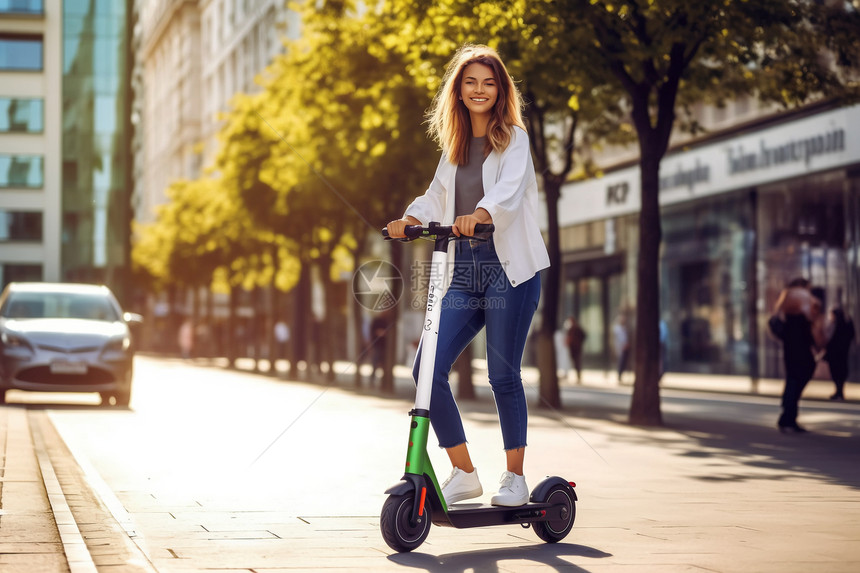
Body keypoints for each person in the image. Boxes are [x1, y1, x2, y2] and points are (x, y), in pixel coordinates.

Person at [386, 44, 549, 507]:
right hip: (464, 273)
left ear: (500, 91)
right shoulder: (454, 147)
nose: (479, 90)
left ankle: (514, 479)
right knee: (425, 370)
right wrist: (410, 219)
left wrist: (479, 213)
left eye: (489, 82)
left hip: (509, 272)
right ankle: (463, 470)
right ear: (458, 91)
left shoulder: (514, 138)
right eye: (470, 82)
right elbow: (435, 196)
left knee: (502, 375)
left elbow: (509, 192)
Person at [770, 278, 825, 433]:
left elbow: (776, 317)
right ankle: (788, 415)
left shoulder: (785, 295)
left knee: (793, 377)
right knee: (803, 371)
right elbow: (811, 316)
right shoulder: (803, 295)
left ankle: (788, 415)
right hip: (800, 340)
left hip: (790, 343)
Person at [824, 306, 855, 400]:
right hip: (842, 353)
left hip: (836, 353)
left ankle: (839, 392)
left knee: (837, 372)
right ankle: (839, 392)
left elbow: (829, 338)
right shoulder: (846, 323)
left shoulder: (837, 325)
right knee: (840, 372)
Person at [565, 316, 586, 383]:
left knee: (577, 362)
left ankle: (578, 376)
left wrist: (578, 342)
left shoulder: (577, 329)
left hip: (577, 348)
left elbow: (583, 336)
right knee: (574, 362)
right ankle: (572, 375)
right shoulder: (570, 329)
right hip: (572, 348)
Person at [612, 314, 630, 384]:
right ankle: (619, 375)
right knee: (621, 362)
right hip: (621, 347)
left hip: (625, 347)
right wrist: (624, 344)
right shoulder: (617, 328)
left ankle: (621, 375)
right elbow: (620, 338)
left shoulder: (624, 328)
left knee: (623, 362)